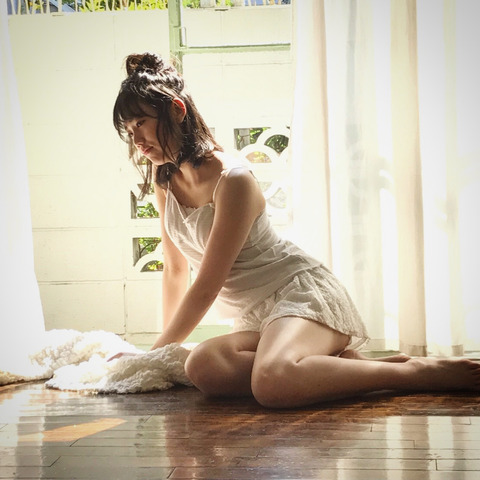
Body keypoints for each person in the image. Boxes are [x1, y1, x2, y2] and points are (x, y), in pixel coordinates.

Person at [111, 52, 480, 408]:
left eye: (141, 123)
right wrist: (162, 357)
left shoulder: (232, 180)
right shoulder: (165, 180)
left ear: (177, 110)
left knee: (271, 383)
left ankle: (415, 372)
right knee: (203, 366)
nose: (136, 140)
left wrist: (151, 357)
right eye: (129, 131)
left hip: (300, 295)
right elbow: (176, 271)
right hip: (256, 318)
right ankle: (337, 367)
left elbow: (207, 285)